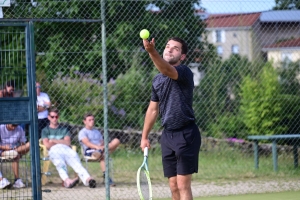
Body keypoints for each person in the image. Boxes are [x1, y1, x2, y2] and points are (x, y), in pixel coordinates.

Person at [139, 37, 201, 200]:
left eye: (175, 48)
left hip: (186, 134)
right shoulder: (157, 80)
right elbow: (153, 110)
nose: (170, 49)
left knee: (182, 186)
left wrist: (151, 51)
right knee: (173, 187)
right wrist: (144, 136)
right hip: (167, 136)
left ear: (182, 56)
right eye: (167, 46)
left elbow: (167, 70)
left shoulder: (184, 72)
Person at [41, 108, 96, 188]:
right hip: (54, 150)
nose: (54, 119)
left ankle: (88, 180)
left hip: (66, 149)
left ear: (58, 117)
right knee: (60, 163)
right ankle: (67, 181)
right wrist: (61, 141)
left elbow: (68, 143)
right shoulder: (45, 130)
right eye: (52, 117)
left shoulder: (64, 129)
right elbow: (47, 145)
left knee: (77, 163)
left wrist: (53, 140)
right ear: (48, 117)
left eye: (56, 117)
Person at [78, 113, 120, 187]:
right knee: (103, 155)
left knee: (116, 140)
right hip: (90, 151)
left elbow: (102, 142)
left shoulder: (96, 131)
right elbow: (87, 143)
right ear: (84, 121)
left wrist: (102, 147)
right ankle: (106, 177)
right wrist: (97, 147)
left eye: (93, 119)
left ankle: (102, 152)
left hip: (101, 149)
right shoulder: (83, 132)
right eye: (89, 120)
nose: (92, 121)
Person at [0, 124, 30, 188]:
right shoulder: (1, 128)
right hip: (2, 150)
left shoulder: (19, 129)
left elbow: (23, 144)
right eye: (12, 125)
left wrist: (18, 146)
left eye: (15, 126)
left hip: (15, 149)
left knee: (29, 144)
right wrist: (4, 147)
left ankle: (17, 181)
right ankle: (2, 180)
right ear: (7, 123)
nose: (14, 128)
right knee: (15, 154)